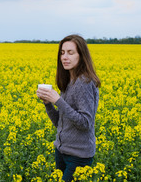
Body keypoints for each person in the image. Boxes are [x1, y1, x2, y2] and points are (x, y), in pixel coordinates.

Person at [36, 34, 101, 182]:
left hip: (78, 156)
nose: (65, 57)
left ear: (81, 56)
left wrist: (58, 100)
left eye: (70, 53)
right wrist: (48, 103)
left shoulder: (83, 83)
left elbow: (85, 123)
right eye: (62, 53)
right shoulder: (69, 81)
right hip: (62, 151)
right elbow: (61, 123)